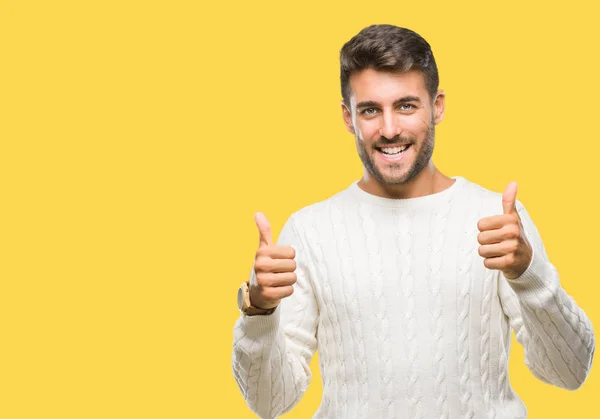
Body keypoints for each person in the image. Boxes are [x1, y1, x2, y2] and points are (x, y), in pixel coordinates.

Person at [231, 24, 595, 419]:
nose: (389, 130)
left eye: (406, 105)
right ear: (348, 117)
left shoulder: (498, 221)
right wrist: (259, 311)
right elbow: (270, 404)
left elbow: (570, 372)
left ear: (436, 106)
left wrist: (529, 273)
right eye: (370, 110)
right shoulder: (311, 231)